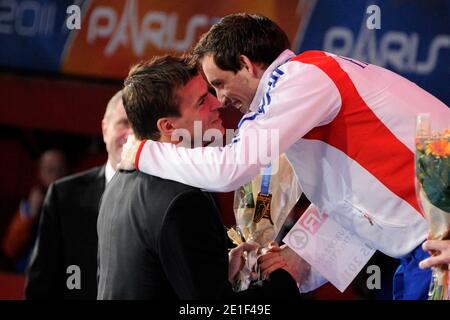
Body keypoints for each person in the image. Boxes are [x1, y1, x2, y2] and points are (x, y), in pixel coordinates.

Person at [119, 13, 450, 300]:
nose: (220, 99)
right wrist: (300, 258)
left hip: (438, 241)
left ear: (246, 64)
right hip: (423, 248)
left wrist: (144, 151)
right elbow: (348, 206)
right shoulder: (304, 89)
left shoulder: (300, 77)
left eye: (219, 83)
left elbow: (230, 169)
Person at [97, 56, 300, 299]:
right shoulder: (183, 201)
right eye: (202, 101)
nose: (218, 102)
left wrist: (215, 271)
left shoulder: (119, 183)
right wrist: (285, 279)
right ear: (169, 127)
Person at [25, 90, 132, 299]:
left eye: (138, 125)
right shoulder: (63, 196)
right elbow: (41, 283)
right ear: (104, 129)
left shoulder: (171, 197)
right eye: (123, 123)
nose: (130, 134)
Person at [2, 149, 68, 272]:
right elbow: (10, 248)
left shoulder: (75, 205)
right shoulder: (28, 206)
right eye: (49, 170)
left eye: (60, 170)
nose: (55, 176)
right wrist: (30, 214)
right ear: (40, 173)